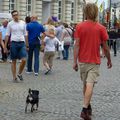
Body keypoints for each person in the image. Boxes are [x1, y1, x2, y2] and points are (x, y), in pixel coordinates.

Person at [73, 3, 112, 120]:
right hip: (94, 61)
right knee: (90, 84)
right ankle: (84, 109)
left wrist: (74, 61)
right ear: (95, 12)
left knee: (86, 84)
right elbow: (105, 47)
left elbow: (77, 45)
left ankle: (87, 105)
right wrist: (109, 59)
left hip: (82, 61)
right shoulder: (101, 28)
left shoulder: (79, 26)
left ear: (85, 12)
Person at [4, 10, 29, 82]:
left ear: (19, 15)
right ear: (12, 16)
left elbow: (25, 34)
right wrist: (5, 47)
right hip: (14, 43)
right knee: (13, 61)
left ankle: (19, 73)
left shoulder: (23, 23)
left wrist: (27, 45)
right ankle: (14, 77)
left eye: (17, 15)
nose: (16, 16)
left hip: (22, 43)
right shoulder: (10, 24)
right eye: (14, 15)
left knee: (24, 60)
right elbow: (7, 35)